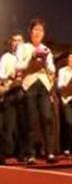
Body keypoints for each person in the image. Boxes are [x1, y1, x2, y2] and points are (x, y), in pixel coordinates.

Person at [16, 19, 57, 164]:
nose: (38, 33)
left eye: (41, 30)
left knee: (47, 118)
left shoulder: (46, 49)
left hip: (44, 85)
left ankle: (50, 152)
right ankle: (31, 154)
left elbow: (52, 69)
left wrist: (45, 62)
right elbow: (18, 65)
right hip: (29, 84)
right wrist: (30, 60)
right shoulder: (23, 47)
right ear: (30, 32)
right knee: (31, 120)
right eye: (36, 30)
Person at [0, 31, 25, 164]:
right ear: (11, 43)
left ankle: (22, 154)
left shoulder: (26, 57)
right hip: (10, 92)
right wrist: (9, 75)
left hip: (24, 92)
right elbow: (1, 75)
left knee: (23, 125)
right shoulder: (6, 57)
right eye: (14, 40)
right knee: (8, 126)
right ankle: (3, 154)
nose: (16, 43)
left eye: (19, 40)